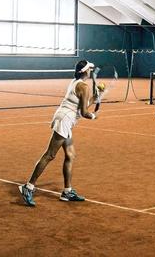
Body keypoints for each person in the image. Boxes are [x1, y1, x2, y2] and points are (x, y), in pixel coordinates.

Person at [19, 60, 98, 207]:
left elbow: (82, 104)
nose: (91, 71)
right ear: (86, 71)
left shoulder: (75, 82)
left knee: (70, 155)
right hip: (64, 120)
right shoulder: (84, 86)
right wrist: (93, 116)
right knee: (50, 154)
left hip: (64, 119)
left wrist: (95, 98)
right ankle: (28, 187)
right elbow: (85, 112)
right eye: (90, 69)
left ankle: (67, 191)